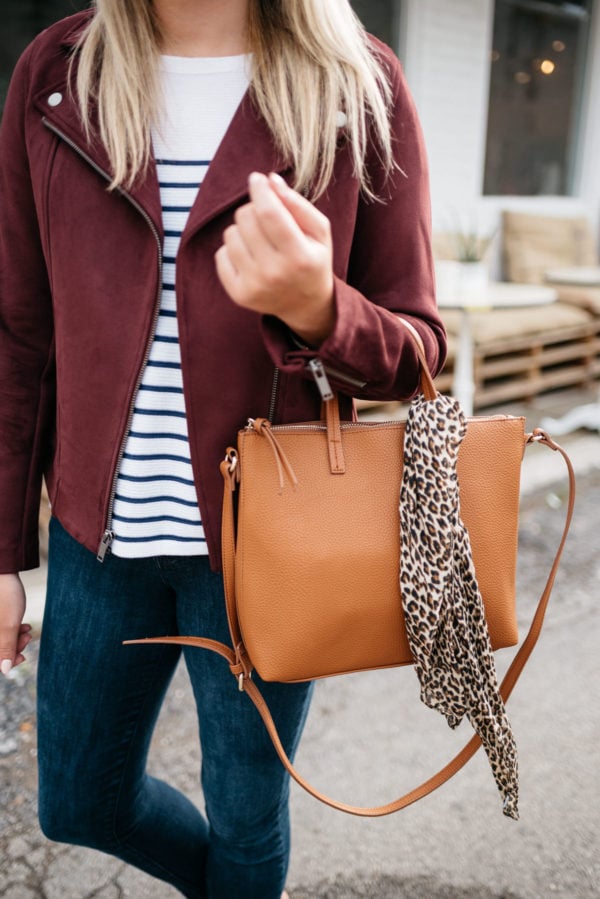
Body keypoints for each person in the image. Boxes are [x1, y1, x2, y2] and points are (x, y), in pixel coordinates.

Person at [0, 0, 446, 896]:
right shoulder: (58, 70)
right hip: (99, 540)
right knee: (79, 802)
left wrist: (322, 307)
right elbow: (18, 333)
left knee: (246, 817)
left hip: (271, 547)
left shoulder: (361, 85)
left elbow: (420, 351)